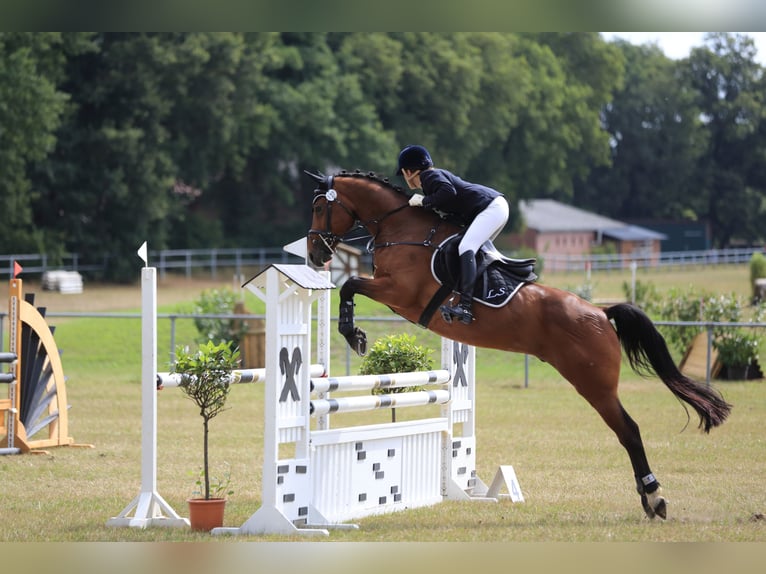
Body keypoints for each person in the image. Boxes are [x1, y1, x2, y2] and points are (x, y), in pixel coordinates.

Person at [396, 144, 509, 325]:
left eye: (403, 174)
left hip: (491, 207)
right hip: (493, 207)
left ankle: (465, 306)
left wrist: (424, 201)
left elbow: (449, 192)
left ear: (408, 171)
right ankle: (485, 294)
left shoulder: (428, 176)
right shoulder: (432, 178)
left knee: (466, 247)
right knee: (464, 250)